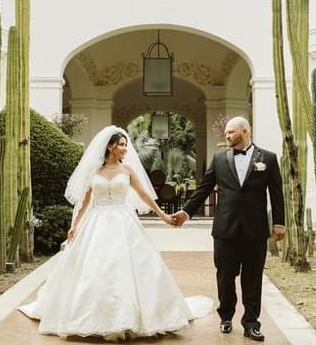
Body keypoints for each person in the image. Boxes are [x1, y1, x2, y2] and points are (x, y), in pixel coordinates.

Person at [19, 125, 212, 341]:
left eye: (125, 145)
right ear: (110, 147)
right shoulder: (94, 171)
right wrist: (75, 225)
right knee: (94, 269)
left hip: (123, 222)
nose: (125, 149)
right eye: (121, 145)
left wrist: (163, 216)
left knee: (127, 266)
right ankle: (91, 316)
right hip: (97, 222)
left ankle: (132, 316)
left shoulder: (127, 171)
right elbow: (84, 202)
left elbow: (146, 196)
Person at [170, 116, 285, 342]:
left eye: (231, 132)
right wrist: (185, 212)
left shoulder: (268, 159)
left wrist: (279, 222)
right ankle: (226, 316)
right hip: (225, 229)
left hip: (255, 230)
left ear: (245, 131)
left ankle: (251, 323)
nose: (227, 136)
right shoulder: (220, 159)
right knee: (225, 275)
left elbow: (276, 193)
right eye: (226, 133)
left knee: (252, 278)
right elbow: (203, 189)